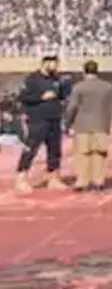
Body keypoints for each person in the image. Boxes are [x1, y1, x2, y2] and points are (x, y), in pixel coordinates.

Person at [14, 54, 68, 193]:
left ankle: (53, 178)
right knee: (31, 148)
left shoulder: (57, 79)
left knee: (55, 150)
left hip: (54, 118)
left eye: (57, 63)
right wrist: (40, 97)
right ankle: (21, 178)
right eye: (53, 63)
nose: (55, 66)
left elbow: (62, 96)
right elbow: (22, 97)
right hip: (38, 119)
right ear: (45, 63)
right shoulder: (32, 79)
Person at [64, 59, 112, 192]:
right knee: (100, 154)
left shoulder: (78, 87)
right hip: (100, 124)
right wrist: (107, 126)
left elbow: (72, 107)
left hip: (82, 125)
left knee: (83, 154)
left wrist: (67, 123)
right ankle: (99, 180)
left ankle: (82, 181)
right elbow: (109, 108)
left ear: (84, 71)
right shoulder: (107, 87)